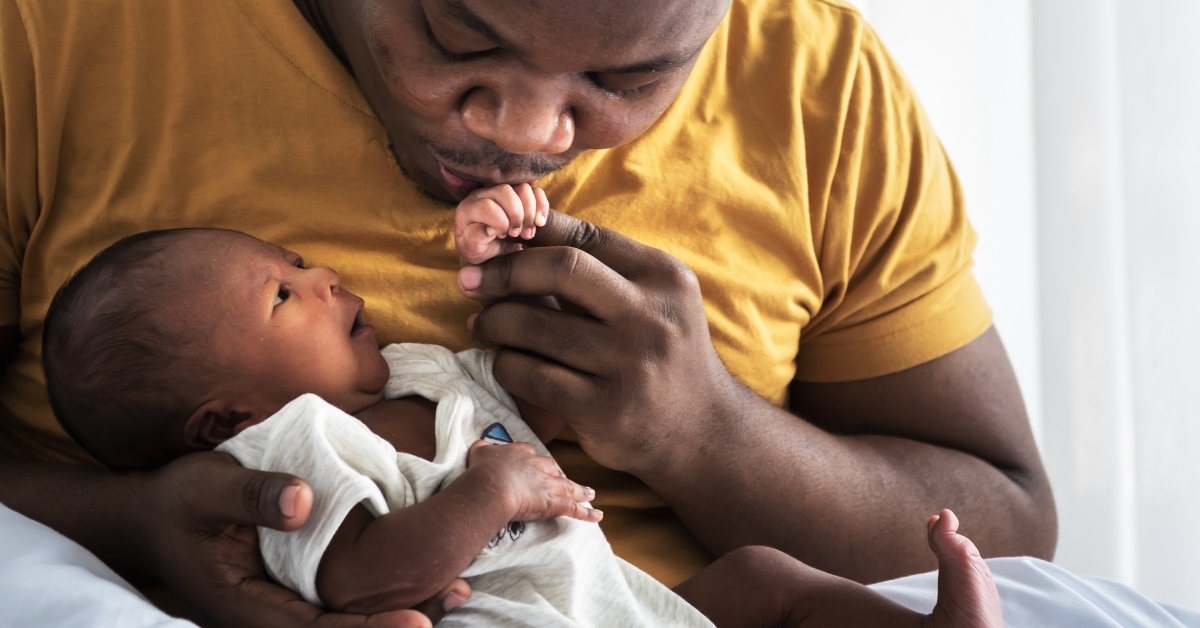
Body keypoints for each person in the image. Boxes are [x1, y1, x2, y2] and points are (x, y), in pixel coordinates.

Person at [0, 0, 1055, 624]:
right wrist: (132, 522)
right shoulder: (58, 34)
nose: (530, 129)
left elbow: (1008, 521)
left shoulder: (819, 80)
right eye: (459, 36)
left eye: (629, 77)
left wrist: (705, 430)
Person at [40, 220, 1004, 628]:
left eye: (298, 262)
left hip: (612, 600)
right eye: (283, 294)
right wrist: (492, 491)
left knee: (764, 578)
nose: (324, 276)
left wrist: (524, 264)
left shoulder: (416, 373)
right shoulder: (285, 451)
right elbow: (366, 577)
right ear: (227, 416)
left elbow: (532, 401)